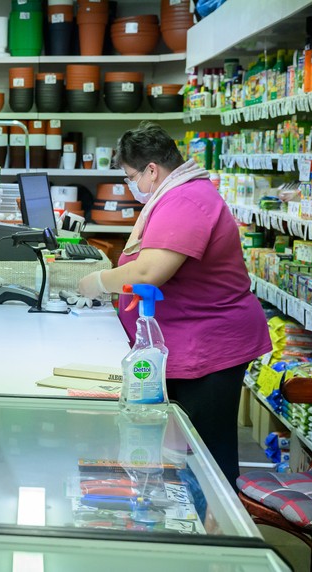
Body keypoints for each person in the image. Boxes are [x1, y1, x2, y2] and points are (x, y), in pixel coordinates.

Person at [78, 122, 271, 485]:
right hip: (191, 337)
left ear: (152, 169)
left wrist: (98, 282)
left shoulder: (185, 199)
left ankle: (218, 531)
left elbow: (150, 271)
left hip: (210, 344)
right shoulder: (177, 192)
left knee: (207, 453)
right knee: (185, 448)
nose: (129, 186)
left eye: (130, 177)